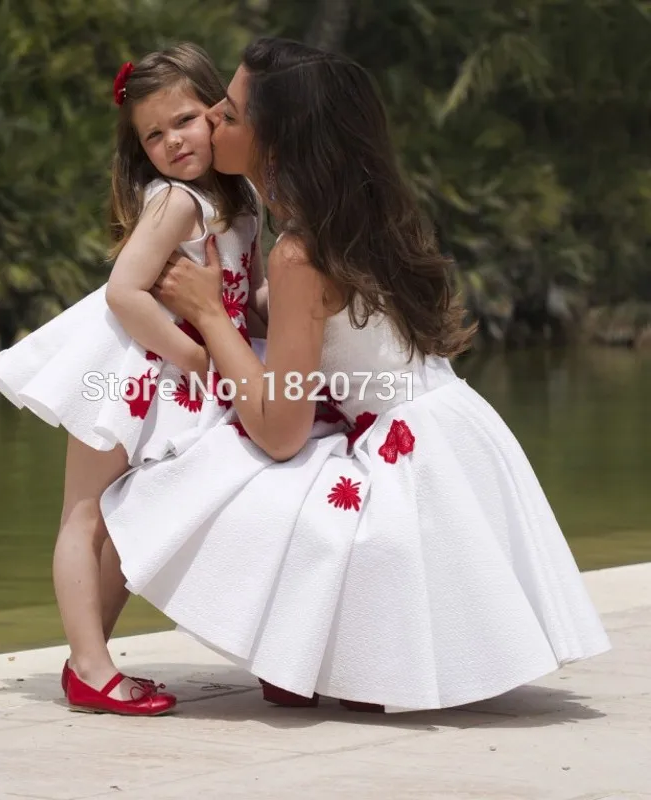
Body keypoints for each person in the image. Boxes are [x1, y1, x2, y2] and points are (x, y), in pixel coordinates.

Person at [98, 37, 611, 713]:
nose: (212, 121)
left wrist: (207, 315)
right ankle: (327, 660)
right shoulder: (365, 214)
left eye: (228, 113)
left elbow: (281, 427)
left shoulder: (299, 254)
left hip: (406, 471)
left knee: (179, 479)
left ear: (273, 144)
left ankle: (328, 654)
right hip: (459, 442)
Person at [0, 42, 268, 716]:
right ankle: (90, 665)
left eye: (185, 120)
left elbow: (248, 291)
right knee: (85, 516)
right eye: (153, 135)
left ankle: (92, 659)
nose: (172, 141)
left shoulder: (245, 196)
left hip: (188, 366)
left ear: (217, 112)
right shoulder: (175, 204)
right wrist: (197, 358)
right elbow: (124, 293)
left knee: (133, 516)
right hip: (130, 368)